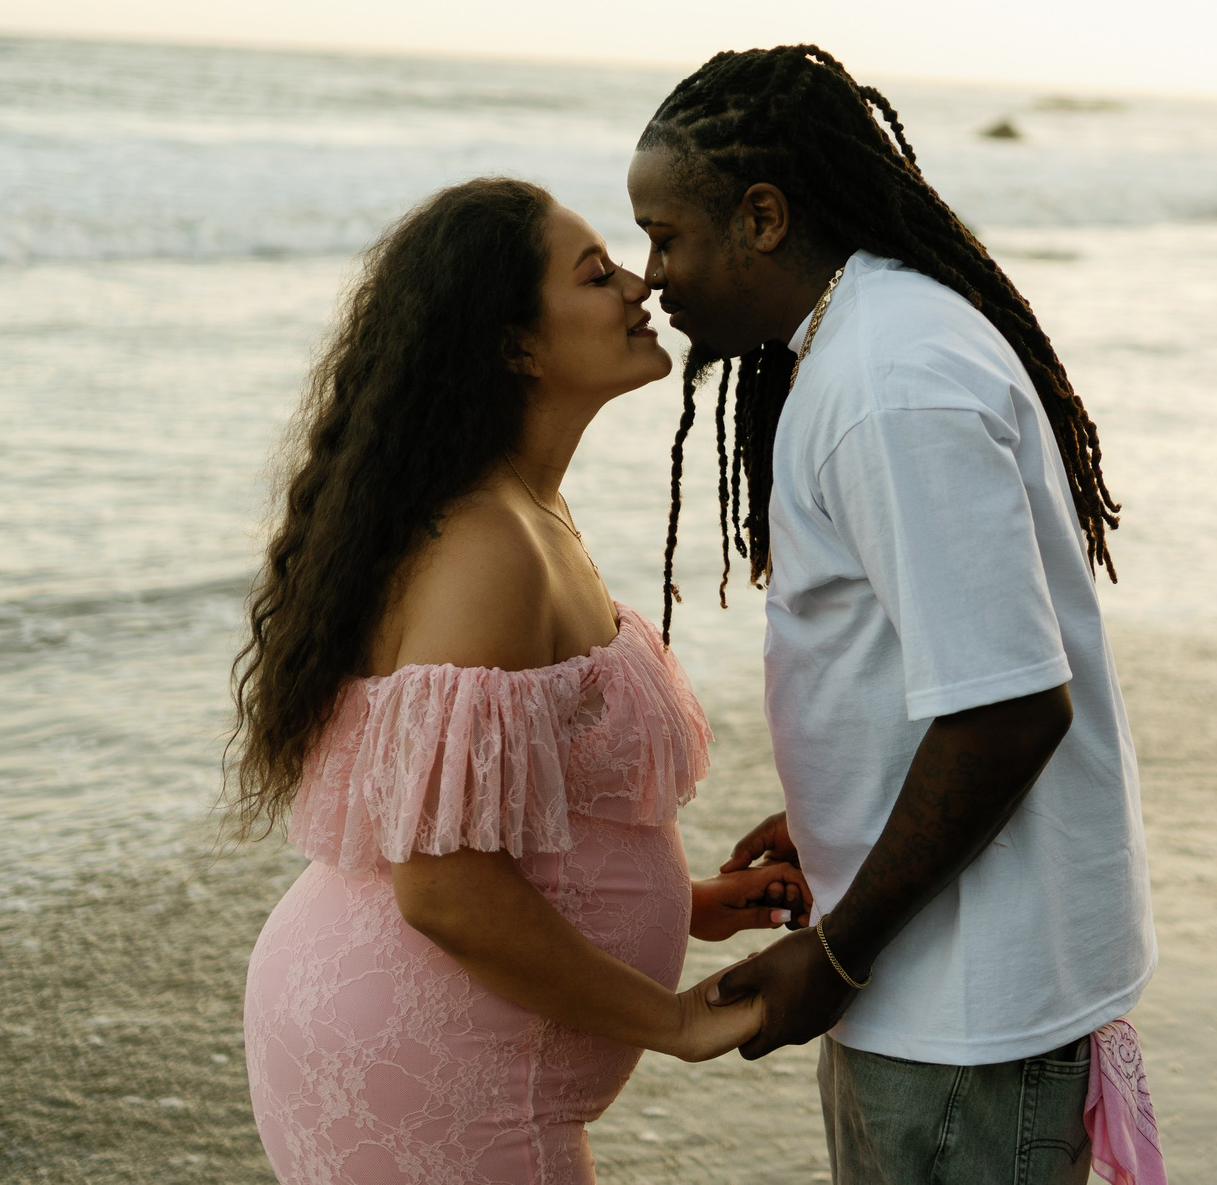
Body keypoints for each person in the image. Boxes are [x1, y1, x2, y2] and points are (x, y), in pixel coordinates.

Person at [627, 48, 1163, 1185]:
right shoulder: (867, 344)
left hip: (964, 1020)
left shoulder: (887, 383)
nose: (651, 275)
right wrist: (844, 805)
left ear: (761, 218)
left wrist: (835, 954)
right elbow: (951, 667)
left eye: (666, 235)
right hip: (946, 989)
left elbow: (1014, 710)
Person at [228, 177, 809, 1185]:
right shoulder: (489, 547)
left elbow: (501, 812)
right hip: (433, 1055)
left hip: (419, 1029)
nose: (639, 286)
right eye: (596, 274)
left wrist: (688, 904)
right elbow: (447, 889)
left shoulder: (525, 512)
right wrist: (674, 1021)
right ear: (515, 345)